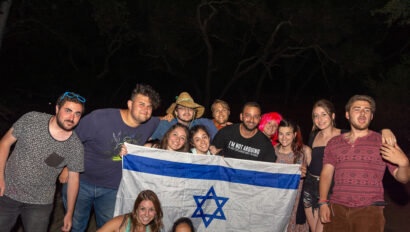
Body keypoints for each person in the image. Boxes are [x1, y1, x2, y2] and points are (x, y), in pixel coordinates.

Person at [60, 84, 161, 231]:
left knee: (110, 228)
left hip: (112, 188)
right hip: (81, 181)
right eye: (142, 104)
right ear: (130, 104)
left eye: (150, 106)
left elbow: (174, 123)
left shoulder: (151, 123)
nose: (146, 109)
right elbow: (72, 139)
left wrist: (171, 114)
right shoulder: (100, 118)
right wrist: (66, 166)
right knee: (75, 226)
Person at [304, 99, 398, 232]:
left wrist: (385, 130)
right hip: (311, 186)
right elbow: (312, 161)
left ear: (333, 116)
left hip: (332, 189)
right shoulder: (314, 136)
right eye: (316, 115)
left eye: (323, 114)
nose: (320, 119)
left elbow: (363, 132)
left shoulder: (343, 135)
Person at [0, 91, 85, 232]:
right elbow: (4, 143)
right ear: (57, 109)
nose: (72, 117)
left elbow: (74, 179)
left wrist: (69, 213)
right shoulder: (31, 119)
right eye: (68, 111)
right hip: (7, 193)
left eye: (77, 114)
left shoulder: (75, 146)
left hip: (40, 204)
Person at [275, 119, 310, 232]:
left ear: (295, 135)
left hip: (296, 202)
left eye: (288, 134)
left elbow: (315, 178)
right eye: (281, 133)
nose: (284, 137)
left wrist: (307, 173)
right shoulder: (272, 151)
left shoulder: (305, 151)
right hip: (277, 201)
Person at [211, 102, 276, 162]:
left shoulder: (266, 145)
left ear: (259, 119)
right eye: (248, 115)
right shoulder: (225, 132)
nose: (251, 120)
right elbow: (211, 156)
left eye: (256, 117)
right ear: (241, 117)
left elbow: (269, 171)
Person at [150, 92, 217, 140]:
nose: (187, 111)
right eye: (182, 108)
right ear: (176, 112)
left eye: (190, 108)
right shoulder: (166, 124)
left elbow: (218, 127)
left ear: (194, 112)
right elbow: (145, 139)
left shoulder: (200, 125)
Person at [97, 190, 163, 232]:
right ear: (136, 209)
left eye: (151, 209)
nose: (146, 214)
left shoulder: (152, 228)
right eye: (143, 209)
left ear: (156, 212)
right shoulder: (119, 223)